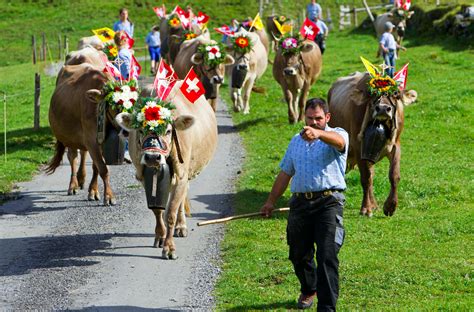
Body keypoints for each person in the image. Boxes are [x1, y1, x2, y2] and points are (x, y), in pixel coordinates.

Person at [260, 98, 348, 311]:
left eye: (318, 118)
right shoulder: (295, 141)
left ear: (327, 117)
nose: (314, 122)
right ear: (304, 117)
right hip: (300, 203)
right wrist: (270, 202)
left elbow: (340, 143)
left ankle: (327, 308)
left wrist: (319, 134)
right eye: (310, 118)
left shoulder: (338, 134)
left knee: (327, 256)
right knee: (298, 253)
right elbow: (285, 173)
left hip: (328, 202)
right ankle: (309, 289)